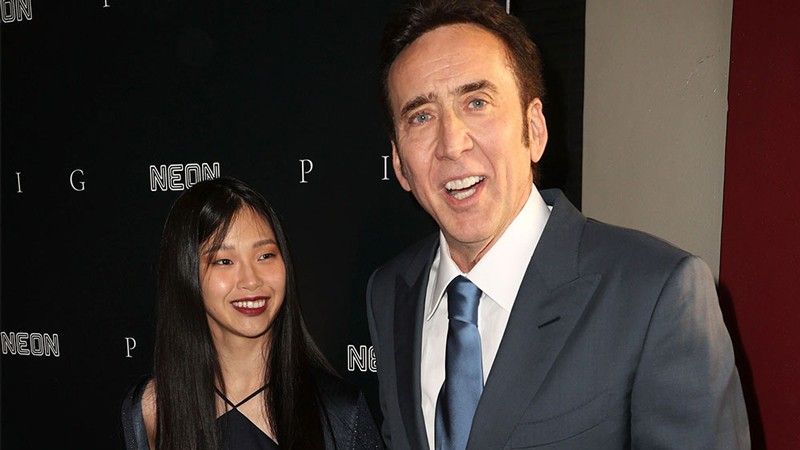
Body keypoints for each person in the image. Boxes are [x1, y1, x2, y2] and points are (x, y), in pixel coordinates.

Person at [366, 1, 750, 449]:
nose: (451, 143)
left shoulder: (656, 294)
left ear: (534, 129)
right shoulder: (390, 292)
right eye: (421, 116)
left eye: (477, 102)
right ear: (400, 164)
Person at [121, 177, 383, 450]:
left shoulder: (338, 413)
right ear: (185, 274)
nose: (251, 280)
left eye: (265, 256)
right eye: (224, 261)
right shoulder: (151, 408)